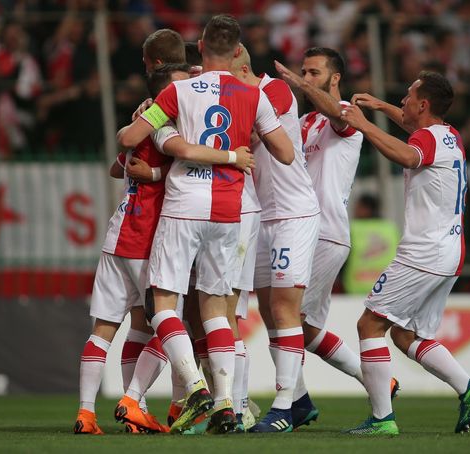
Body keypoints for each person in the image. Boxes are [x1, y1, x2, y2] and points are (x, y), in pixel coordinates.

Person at [115, 14, 295, 435]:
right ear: (237, 51)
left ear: (198, 47)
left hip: (183, 205)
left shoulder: (178, 90)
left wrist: (153, 117)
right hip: (229, 210)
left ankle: (195, 387)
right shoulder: (254, 96)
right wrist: (244, 139)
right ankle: (226, 403)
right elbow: (285, 153)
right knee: (218, 310)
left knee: (165, 302)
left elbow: (127, 140)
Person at [74, 62, 255, 435]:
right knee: (165, 320)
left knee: (110, 329)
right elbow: (187, 152)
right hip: (145, 239)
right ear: (165, 94)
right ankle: (171, 394)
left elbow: (117, 166)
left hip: (116, 239)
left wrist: (147, 165)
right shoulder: (163, 126)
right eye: (182, 85)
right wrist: (235, 156)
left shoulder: (140, 125)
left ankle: (87, 414)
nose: (190, 89)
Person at [339, 71, 470, 436]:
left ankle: (381, 419)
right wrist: (380, 108)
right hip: (450, 252)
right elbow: (414, 132)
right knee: (407, 336)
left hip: (423, 252)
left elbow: (409, 156)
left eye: (408, 97)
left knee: (369, 325)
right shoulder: (450, 135)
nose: (403, 102)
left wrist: (364, 124)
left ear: (423, 104)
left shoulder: (425, 140)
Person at [275, 49, 404, 429]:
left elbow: (338, 115)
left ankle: (292, 404)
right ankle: (377, 382)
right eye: (302, 72)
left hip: (326, 231)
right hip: (300, 229)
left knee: (289, 318)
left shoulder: (344, 113)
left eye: (314, 73)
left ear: (334, 79)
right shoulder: (303, 122)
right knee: (305, 328)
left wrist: (297, 86)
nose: (305, 78)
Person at [230, 44, 321, 433]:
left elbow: (246, 133)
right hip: (263, 218)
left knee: (284, 307)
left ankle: (282, 406)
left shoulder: (275, 91)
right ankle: (299, 400)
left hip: (293, 215)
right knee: (269, 312)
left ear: (241, 60)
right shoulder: (239, 94)